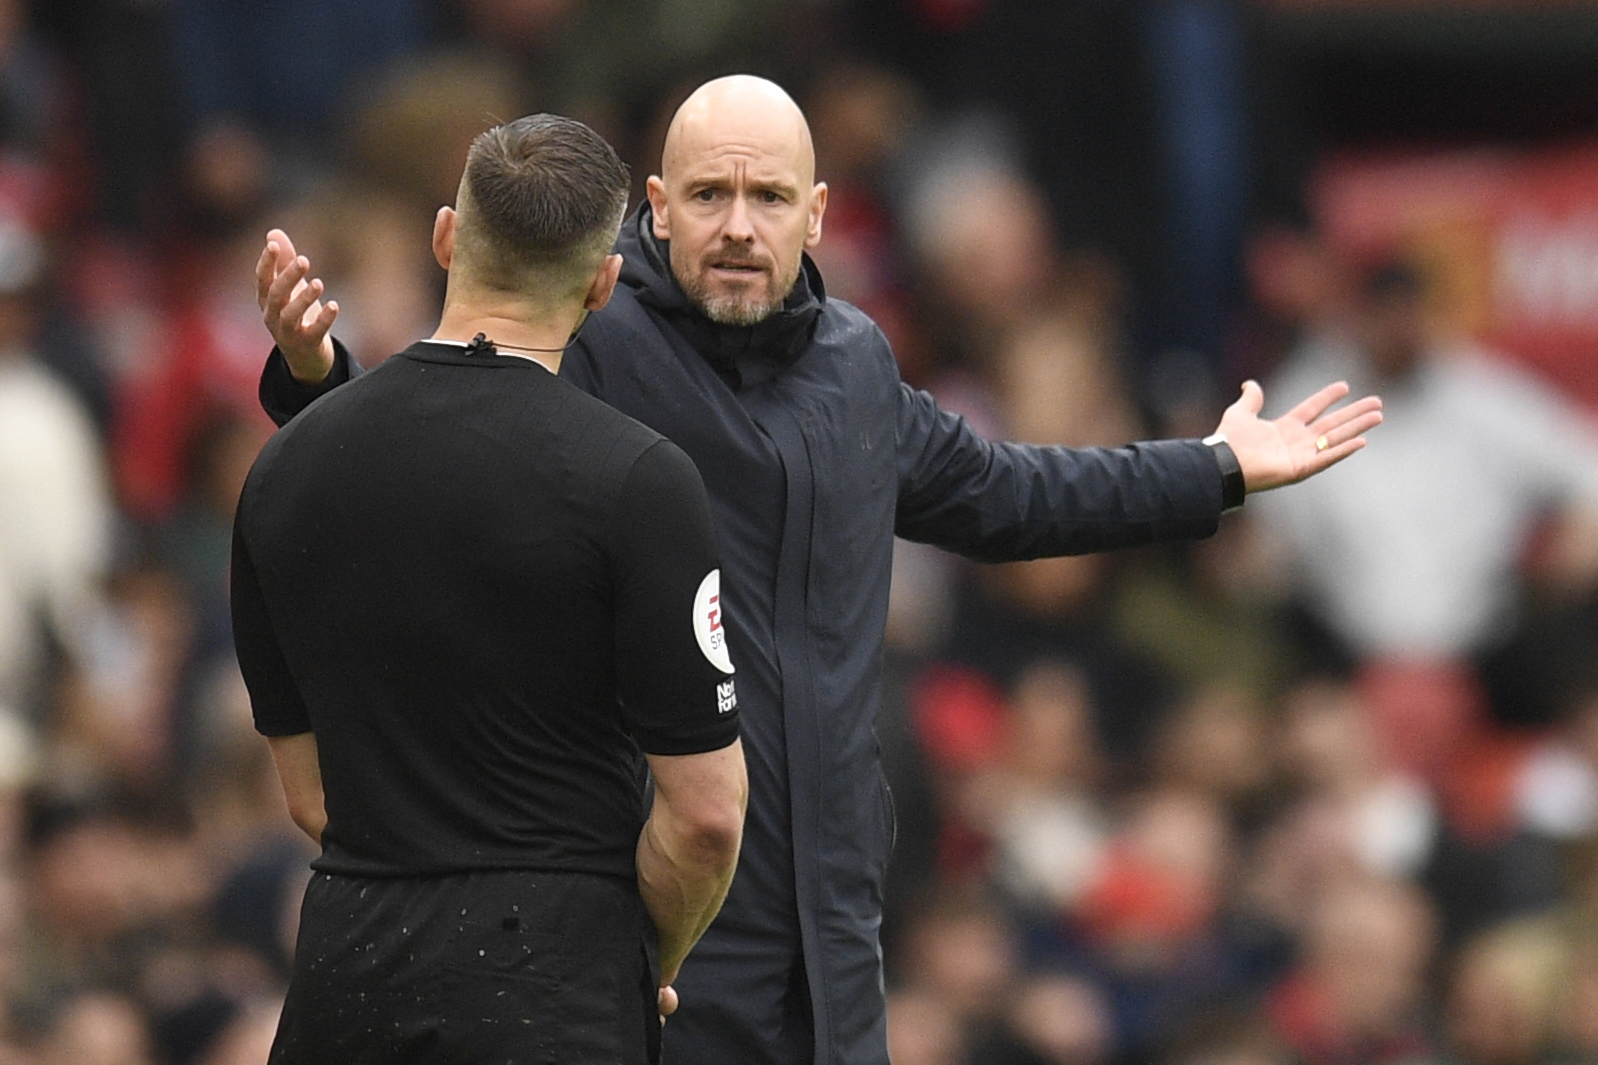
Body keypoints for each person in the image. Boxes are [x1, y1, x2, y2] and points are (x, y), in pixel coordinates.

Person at [255, 75, 1381, 1065]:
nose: (737, 228)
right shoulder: (587, 344)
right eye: (706, 198)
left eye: (767, 199)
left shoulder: (853, 364)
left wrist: (1213, 469)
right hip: (653, 922)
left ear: (819, 215)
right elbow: (427, 446)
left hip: (834, 935)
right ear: (650, 211)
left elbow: (1003, 495)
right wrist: (317, 379)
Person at [232, 113, 748, 1064]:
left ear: (445, 237)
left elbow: (312, 796)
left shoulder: (282, 469)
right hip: (554, 986)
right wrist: (641, 955)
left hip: (347, 975)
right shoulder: (641, 478)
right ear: (604, 281)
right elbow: (708, 815)